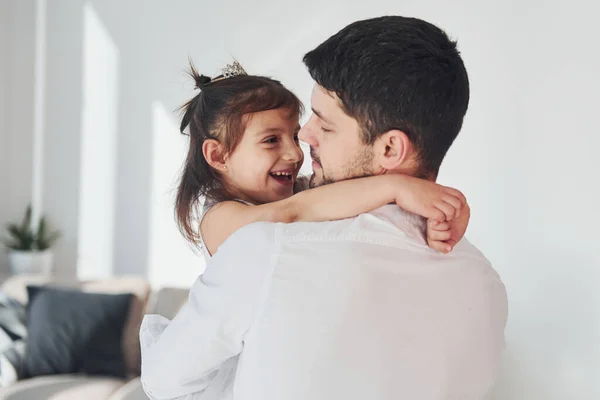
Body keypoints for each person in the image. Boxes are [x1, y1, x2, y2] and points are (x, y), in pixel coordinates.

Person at [141, 16, 507, 400]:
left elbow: (165, 381)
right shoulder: (485, 283)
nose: (303, 136)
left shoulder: (268, 250)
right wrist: (401, 188)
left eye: (325, 125)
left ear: (389, 150)